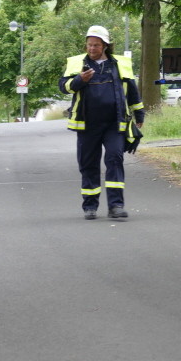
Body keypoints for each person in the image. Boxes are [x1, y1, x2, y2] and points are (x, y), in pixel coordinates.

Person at [59, 25, 145, 220]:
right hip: (87, 124)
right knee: (88, 164)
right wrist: (79, 80)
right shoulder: (76, 64)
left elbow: (132, 90)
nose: (92, 49)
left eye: (96, 45)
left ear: (105, 45)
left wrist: (139, 113)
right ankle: (90, 206)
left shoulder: (119, 64)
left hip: (114, 124)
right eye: (89, 45)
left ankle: (116, 206)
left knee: (115, 160)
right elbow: (63, 87)